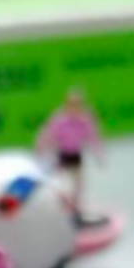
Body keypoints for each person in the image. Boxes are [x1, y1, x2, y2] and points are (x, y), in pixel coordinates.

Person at [36, 88, 106, 229]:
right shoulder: (59, 119)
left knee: (79, 185)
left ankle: (76, 210)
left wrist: (99, 154)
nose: (75, 107)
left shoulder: (85, 120)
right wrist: (41, 150)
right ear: (67, 104)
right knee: (62, 185)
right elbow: (48, 134)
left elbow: (93, 136)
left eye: (78, 104)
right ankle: (61, 211)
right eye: (72, 104)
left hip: (76, 156)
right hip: (62, 156)